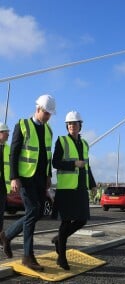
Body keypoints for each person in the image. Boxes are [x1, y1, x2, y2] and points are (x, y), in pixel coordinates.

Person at [0, 95, 56, 271]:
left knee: (38, 212)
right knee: (32, 211)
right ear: (38, 109)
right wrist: (14, 177)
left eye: (50, 114)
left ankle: (6, 236)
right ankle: (27, 256)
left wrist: (48, 176)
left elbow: (48, 155)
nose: (48, 117)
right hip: (25, 178)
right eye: (46, 113)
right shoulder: (22, 125)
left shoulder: (48, 131)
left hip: (40, 179)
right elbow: (14, 153)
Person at [51, 111, 96, 270]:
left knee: (82, 219)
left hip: (80, 188)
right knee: (65, 222)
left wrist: (92, 184)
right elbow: (55, 163)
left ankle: (58, 239)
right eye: (69, 124)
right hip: (66, 188)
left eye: (75, 124)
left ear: (80, 126)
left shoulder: (84, 144)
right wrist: (73, 164)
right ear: (66, 126)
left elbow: (87, 166)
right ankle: (62, 258)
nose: (72, 126)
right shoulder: (61, 141)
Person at [0, 123, 10, 233]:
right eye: (5, 132)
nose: (8, 134)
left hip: (3, 186)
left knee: (0, 213)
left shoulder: (8, 148)